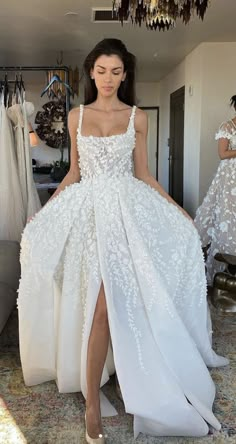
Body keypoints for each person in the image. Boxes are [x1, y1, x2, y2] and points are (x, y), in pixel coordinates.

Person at [18, 39, 228, 443]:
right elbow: (73, 174)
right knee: (98, 307)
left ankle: (123, 379)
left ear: (125, 74)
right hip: (88, 216)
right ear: (91, 72)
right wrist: (45, 212)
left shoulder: (137, 118)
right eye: (101, 71)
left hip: (127, 215)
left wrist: (177, 209)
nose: (108, 79)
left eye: (116, 72)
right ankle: (92, 403)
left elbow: (144, 175)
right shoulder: (77, 116)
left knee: (116, 304)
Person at [195, 96, 236, 285]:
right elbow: (223, 153)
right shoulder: (227, 127)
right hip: (230, 178)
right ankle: (223, 267)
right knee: (227, 215)